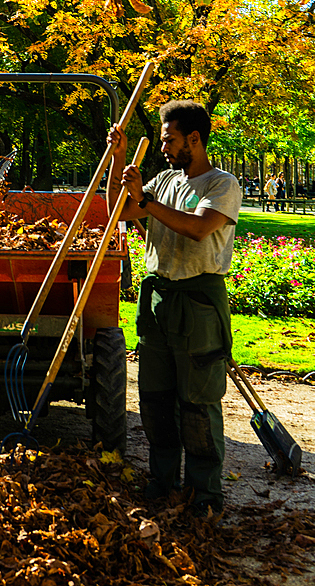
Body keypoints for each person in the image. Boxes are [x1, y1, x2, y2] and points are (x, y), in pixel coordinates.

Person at [106, 100, 241, 516]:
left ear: (195, 140)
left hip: (198, 301)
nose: (164, 147)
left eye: (170, 139)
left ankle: (205, 493)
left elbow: (198, 228)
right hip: (158, 299)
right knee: (156, 400)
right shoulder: (164, 180)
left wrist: (144, 203)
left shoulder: (223, 185)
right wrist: (120, 160)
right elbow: (118, 210)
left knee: (198, 403)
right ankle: (162, 480)